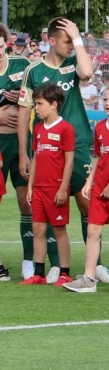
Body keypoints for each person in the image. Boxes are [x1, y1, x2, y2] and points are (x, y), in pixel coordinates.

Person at [17, 18, 109, 285]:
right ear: (52, 40)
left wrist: (78, 38)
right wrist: (24, 152)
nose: (71, 46)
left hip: (78, 141)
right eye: (67, 40)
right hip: (46, 148)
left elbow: (87, 73)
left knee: (85, 201)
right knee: (47, 204)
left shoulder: (73, 65)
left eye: (73, 41)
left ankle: (97, 264)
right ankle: (58, 266)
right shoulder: (33, 70)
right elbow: (24, 112)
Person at [64, 84, 109, 294]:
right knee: (93, 231)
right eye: (105, 99)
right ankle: (89, 278)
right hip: (99, 189)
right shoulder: (100, 127)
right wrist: (89, 182)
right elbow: (97, 157)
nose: (107, 103)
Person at [19, 83, 74, 286]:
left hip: (56, 188)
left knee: (59, 230)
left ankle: (65, 272)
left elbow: (69, 162)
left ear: (53, 104)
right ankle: (39, 273)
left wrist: (62, 188)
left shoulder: (65, 128)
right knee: (38, 229)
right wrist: (31, 187)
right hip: (39, 189)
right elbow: (35, 158)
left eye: (39, 104)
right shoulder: (39, 128)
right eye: (35, 104)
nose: (36, 108)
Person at [0, 25, 36, 282]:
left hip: (22, 144)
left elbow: (37, 97)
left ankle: (29, 260)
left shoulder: (21, 65)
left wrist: (21, 99)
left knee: (27, 201)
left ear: (6, 43)